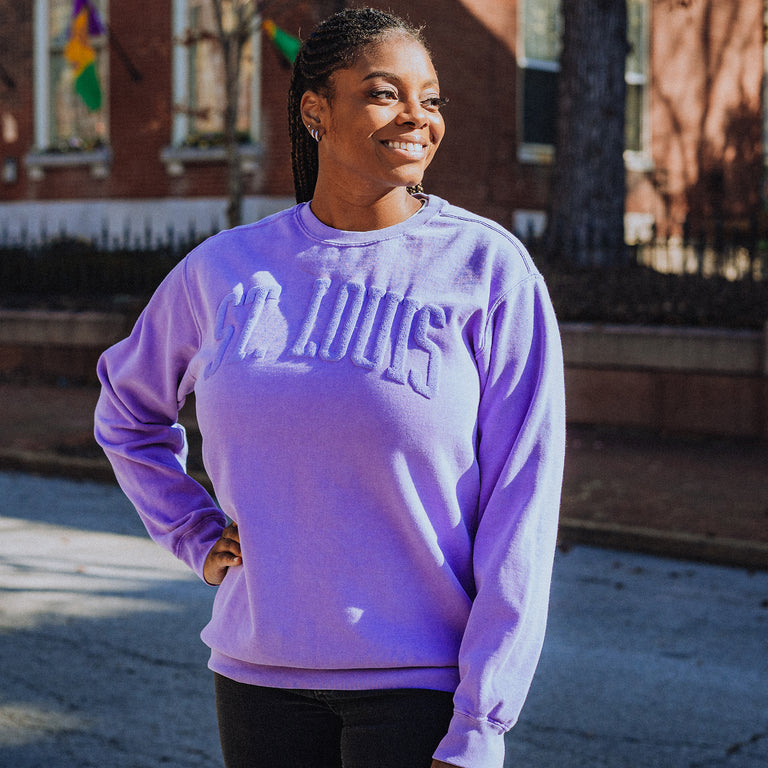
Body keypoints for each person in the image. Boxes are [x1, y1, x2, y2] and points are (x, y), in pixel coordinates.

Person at [94, 7, 566, 768]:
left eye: (432, 98)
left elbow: (524, 502)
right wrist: (191, 532)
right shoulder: (225, 269)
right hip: (256, 677)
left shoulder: (487, 270)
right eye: (386, 93)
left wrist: (482, 721)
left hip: (421, 690)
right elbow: (127, 410)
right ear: (317, 109)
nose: (417, 116)